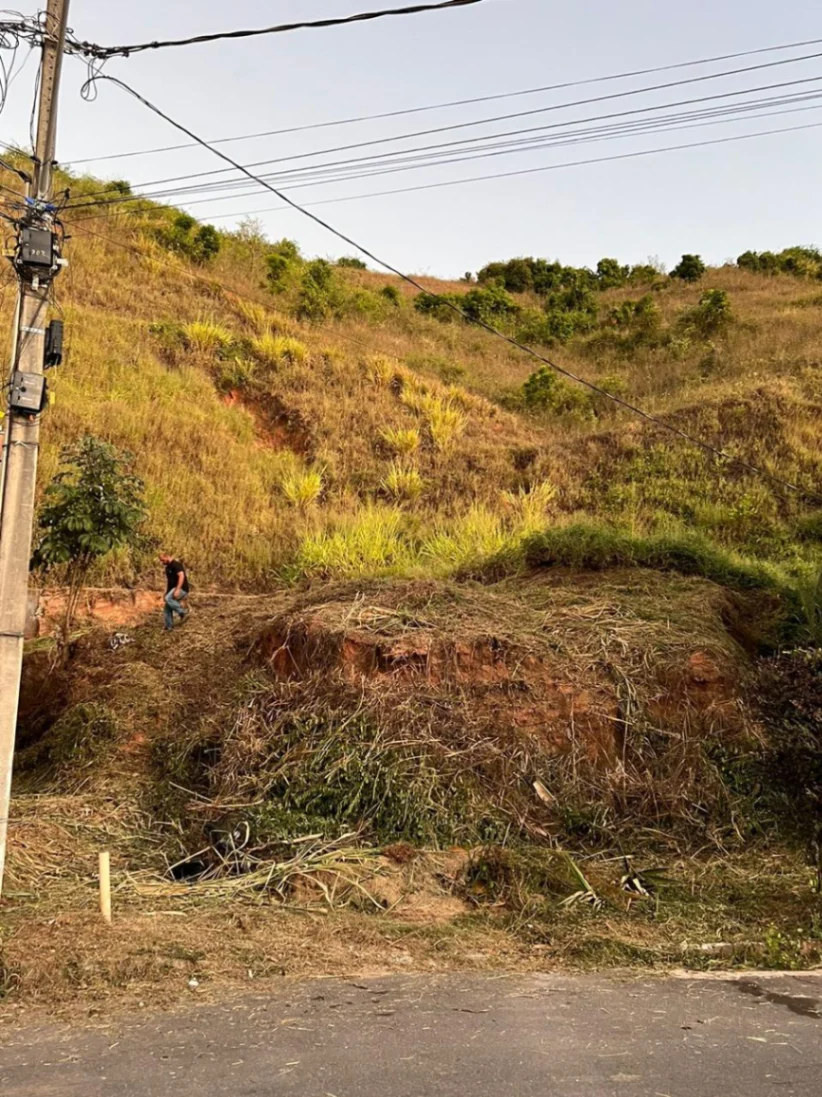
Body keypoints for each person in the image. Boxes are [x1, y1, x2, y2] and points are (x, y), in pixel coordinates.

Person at [159, 553, 190, 631]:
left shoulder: (176, 565)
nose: (162, 562)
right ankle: (169, 627)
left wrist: (178, 589)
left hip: (182, 589)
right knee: (167, 608)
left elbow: (181, 576)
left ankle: (183, 612)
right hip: (173, 589)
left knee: (168, 599)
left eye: (163, 560)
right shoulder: (168, 568)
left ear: (167, 556)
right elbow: (170, 582)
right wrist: (166, 592)